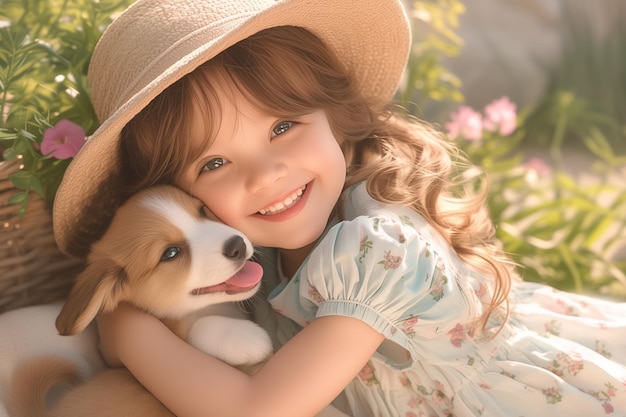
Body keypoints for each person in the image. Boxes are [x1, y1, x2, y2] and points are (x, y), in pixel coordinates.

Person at [52, 0, 626, 416]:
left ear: (336, 115)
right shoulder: (251, 257)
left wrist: (126, 326)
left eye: (282, 125)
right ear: (181, 194)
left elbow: (257, 409)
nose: (267, 172)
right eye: (214, 163)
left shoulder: (377, 247)